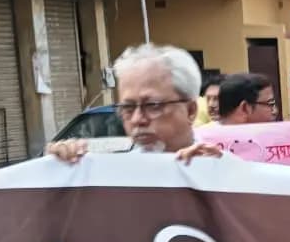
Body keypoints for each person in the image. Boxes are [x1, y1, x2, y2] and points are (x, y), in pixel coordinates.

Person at [48, 44, 223, 163]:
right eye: (128, 108)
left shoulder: (226, 169)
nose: (138, 119)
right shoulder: (112, 177)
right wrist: (61, 169)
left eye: (153, 105)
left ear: (190, 110)